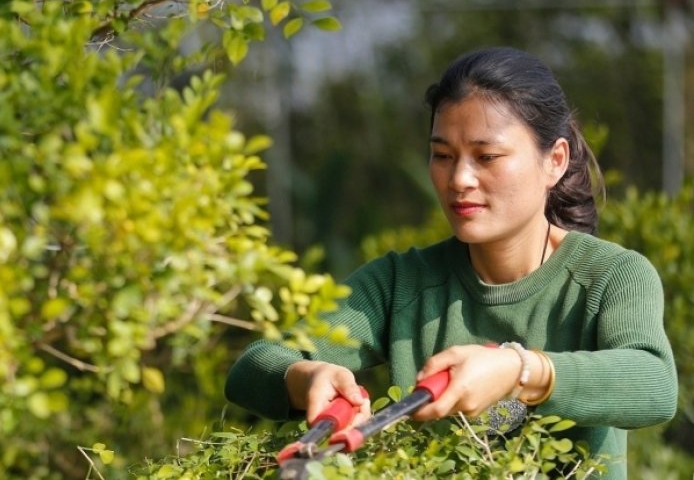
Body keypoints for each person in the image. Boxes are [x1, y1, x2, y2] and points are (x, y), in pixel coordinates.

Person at [224, 47, 677, 478]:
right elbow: (255, 365)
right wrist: (309, 377)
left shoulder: (613, 276)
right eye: (442, 156)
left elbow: (654, 384)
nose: (459, 179)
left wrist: (520, 371)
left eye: (487, 157)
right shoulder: (399, 283)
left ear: (554, 161)